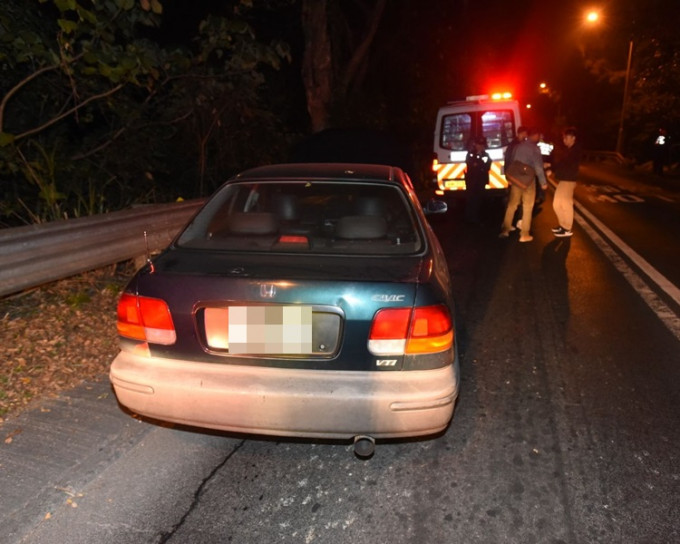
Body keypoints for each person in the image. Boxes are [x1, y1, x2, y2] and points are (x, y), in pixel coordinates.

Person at [499, 127, 548, 242]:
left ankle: (505, 229)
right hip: (528, 181)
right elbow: (538, 167)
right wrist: (543, 182)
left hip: (516, 180)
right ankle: (524, 234)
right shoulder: (534, 148)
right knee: (527, 206)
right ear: (535, 135)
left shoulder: (518, 146)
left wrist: (509, 176)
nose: (539, 138)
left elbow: (511, 161)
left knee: (512, 205)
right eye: (538, 136)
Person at [547, 127, 582, 237]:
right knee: (557, 204)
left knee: (566, 204)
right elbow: (562, 162)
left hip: (569, 180)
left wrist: (551, 168)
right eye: (564, 138)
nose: (564, 140)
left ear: (573, 138)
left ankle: (567, 228)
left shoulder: (575, 150)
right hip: (564, 180)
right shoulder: (569, 150)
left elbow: (564, 163)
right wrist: (551, 166)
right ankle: (563, 225)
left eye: (566, 138)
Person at [464, 136, 491, 223]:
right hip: (471, 181)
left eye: (482, 145)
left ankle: (477, 218)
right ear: (475, 145)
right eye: (479, 144)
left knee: (479, 200)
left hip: (481, 181)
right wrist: (479, 163)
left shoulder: (486, 155)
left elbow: (487, 166)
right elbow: (470, 164)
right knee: (471, 200)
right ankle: (470, 218)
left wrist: (478, 163)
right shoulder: (471, 154)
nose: (480, 146)